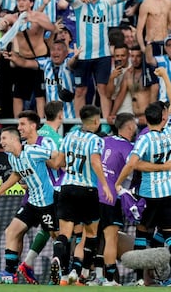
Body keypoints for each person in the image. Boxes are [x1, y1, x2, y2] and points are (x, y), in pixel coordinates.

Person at [114, 68, 171, 287]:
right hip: (168, 192)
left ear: (146, 120)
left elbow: (132, 164)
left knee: (141, 235)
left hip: (149, 193)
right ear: (163, 118)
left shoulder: (145, 139)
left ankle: (138, 280)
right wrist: (165, 76)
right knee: (170, 234)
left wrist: (119, 182)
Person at [0, 112, 62, 284]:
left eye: (4, 138)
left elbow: (56, 156)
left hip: (48, 202)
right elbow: (16, 175)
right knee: (11, 231)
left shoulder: (32, 151)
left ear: (14, 140)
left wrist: (61, 170)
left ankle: (61, 276)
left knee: (57, 236)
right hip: (32, 202)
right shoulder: (12, 158)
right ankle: (9, 273)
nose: (1, 142)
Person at [51, 105, 113, 285]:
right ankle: (83, 275)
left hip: (67, 188)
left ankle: (61, 271)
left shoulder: (68, 137)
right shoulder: (96, 140)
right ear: (96, 120)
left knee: (64, 234)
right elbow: (95, 162)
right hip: (87, 190)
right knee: (91, 233)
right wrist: (104, 185)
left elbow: (58, 163)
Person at [99, 113, 138, 286]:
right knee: (110, 238)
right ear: (129, 127)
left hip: (92, 194)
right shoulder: (129, 148)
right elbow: (135, 172)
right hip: (109, 196)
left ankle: (85, 275)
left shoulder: (102, 141)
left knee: (89, 237)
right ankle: (109, 280)